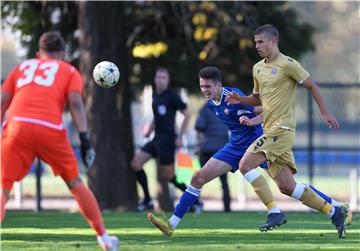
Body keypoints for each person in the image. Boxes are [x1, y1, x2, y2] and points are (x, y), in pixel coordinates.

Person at [147, 66, 351, 238]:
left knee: (288, 187)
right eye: (201, 86)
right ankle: (171, 225)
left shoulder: (233, 97)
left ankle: (333, 207)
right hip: (235, 147)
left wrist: (252, 120)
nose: (204, 90)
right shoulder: (211, 102)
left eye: (208, 86)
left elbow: (264, 109)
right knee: (198, 177)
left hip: (258, 144)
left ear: (219, 85)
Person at [225, 24, 347, 238]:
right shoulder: (257, 68)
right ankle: (333, 211)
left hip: (282, 130)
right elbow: (257, 98)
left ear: (273, 42)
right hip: (270, 129)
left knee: (244, 164)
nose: (257, 46)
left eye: (261, 42)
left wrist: (324, 113)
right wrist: (241, 99)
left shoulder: (288, 64)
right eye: (255, 42)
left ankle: (274, 212)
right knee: (287, 187)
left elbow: (312, 86)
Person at [1, 31, 118, 250]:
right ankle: (104, 239)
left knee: (2, 190)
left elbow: (2, 101)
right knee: (74, 183)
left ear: (38, 53)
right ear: (63, 54)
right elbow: (75, 104)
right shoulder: (69, 70)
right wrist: (84, 138)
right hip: (49, 130)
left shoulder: (22, 68)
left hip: (17, 126)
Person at [131, 67, 194, 211]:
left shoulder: (172, 96)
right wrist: (149, 130)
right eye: (158, 77)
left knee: (169, 176)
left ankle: (192, 198)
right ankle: (147, 200)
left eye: (163, 78)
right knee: (136, 164)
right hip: (156, 139)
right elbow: (157, 117)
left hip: (167, 140)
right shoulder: (155, 95)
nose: (160, 80)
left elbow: (188, 114)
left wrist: (180, 136)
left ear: (168, 80)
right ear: (155, 79)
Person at [195, 103, 232, 212]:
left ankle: (196, 205)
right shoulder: (225, 109)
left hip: (207, 150)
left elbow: (199, 128)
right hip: (222, 150)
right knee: (224, 182)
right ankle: (227, 208)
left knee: (198, 179)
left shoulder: (205, 110)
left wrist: (199, 146)